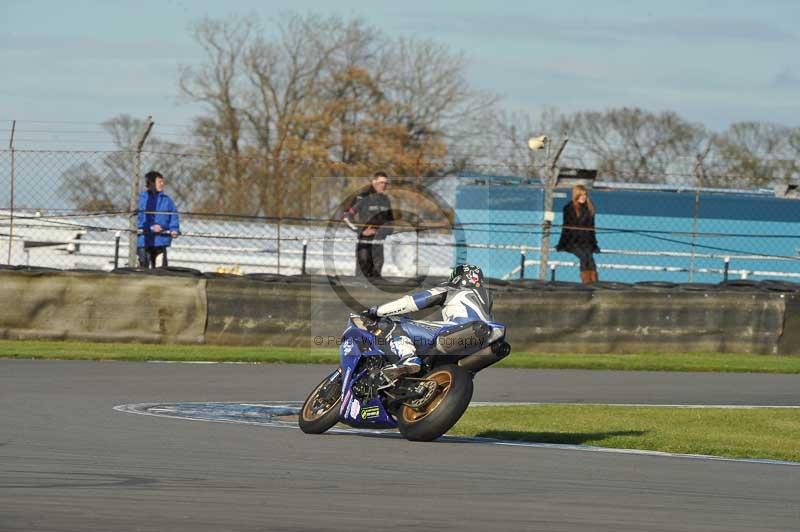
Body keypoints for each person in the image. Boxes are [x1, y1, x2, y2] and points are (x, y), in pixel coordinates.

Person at [361, 264, 493, 378]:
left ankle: (409, 358)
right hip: (487, 339)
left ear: (457, 277)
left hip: (460, 329)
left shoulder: (452, 289)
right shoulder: (486, 296)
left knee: (394, 323)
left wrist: (376, 311)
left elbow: (411, 302)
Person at [343, 172, 394, 279]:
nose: (383, 185)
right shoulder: (361, 198)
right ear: (373, 182)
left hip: (379, 243)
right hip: (364, 243)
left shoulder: (386, 200)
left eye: (385, 183)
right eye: (381, 182)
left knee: (376, 276)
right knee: (362, 275)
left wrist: (383, 231)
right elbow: (346, 217)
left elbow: (391, 223)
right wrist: (361, 231)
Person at [556, 184, 600, 283]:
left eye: (585, 195)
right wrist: (562, 243)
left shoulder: (590, 207)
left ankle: (595, 283)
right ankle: (587, 284)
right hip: (573, 241)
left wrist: (594, 244)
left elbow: (591, 228)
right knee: (584, 256)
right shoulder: (569, 208)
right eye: (581, 195)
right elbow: (566, 227)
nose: (583, 197)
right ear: (576, 195)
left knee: (590, 257)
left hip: (586, 241)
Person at [136, 170, 180, 268]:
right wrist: (151, 227)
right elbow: (137, 219)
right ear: (151, 183)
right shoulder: (142, 199)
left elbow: (173, 216)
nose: (162, 184)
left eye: (162, 181)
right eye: (159, 181)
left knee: (161, 269)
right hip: (144, 240)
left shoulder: (167, 200)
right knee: (143, 267)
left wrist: (174, 229)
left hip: (161, 240)